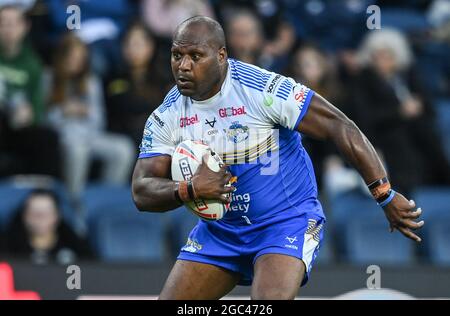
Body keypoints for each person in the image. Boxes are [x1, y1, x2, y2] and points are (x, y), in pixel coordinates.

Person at [131, 16, 424, 300]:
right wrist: (189, 189)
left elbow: (340, 126)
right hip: (220, 233)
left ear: (221, 56)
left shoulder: (263, 89)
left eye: (195, 56)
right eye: (176, 55)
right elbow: (142, 190)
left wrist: (383, 193)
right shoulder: (167, 114)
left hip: (285, 223)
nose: (183, 66)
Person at [354, 28, 450, 194]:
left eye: (388, 56)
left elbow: (428, 106)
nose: (383, 61)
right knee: (399, 139)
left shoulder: (407, 75)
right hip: (384, 135)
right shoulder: (363, 81)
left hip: (416, 130)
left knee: (428, 131)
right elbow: (365, 118)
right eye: (378, 56)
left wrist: (416, 107)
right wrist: (399, 112)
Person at [45, 33, 135, 201]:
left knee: (123, 148)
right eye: (71, 58)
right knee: (78, 150)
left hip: (90, 135)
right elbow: (43, 119)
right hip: (63, 137)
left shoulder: (91, 82)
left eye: (80, 59)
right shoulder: (49, 78)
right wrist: (63, 112)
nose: (75, 63)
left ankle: (106, 199)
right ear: (61, 57)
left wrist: (85, 113)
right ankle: (74, 200)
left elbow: (99, 120)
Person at [0, 4, 60, 178]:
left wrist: (29, 115)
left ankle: (42, 192)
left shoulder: (32, 64)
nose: (8, 29)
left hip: (15, 126)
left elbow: (38, 109)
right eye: (3, 23)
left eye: (13, 23)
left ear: (25, 27)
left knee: (48, 138)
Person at [105, 22, 167, 148]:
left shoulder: (163, 79)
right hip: (126, 138)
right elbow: (120, 108)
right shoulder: (114, 78)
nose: (132, 49)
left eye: (138, 44)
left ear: (150, 47)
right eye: (128, 44)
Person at [4, 189, 94, 264]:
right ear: (24, 216)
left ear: (57, 216)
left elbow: (92, 271)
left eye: (47, 212)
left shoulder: (74, 244)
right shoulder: (7, 246)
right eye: (34, 212)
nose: (41, 218)